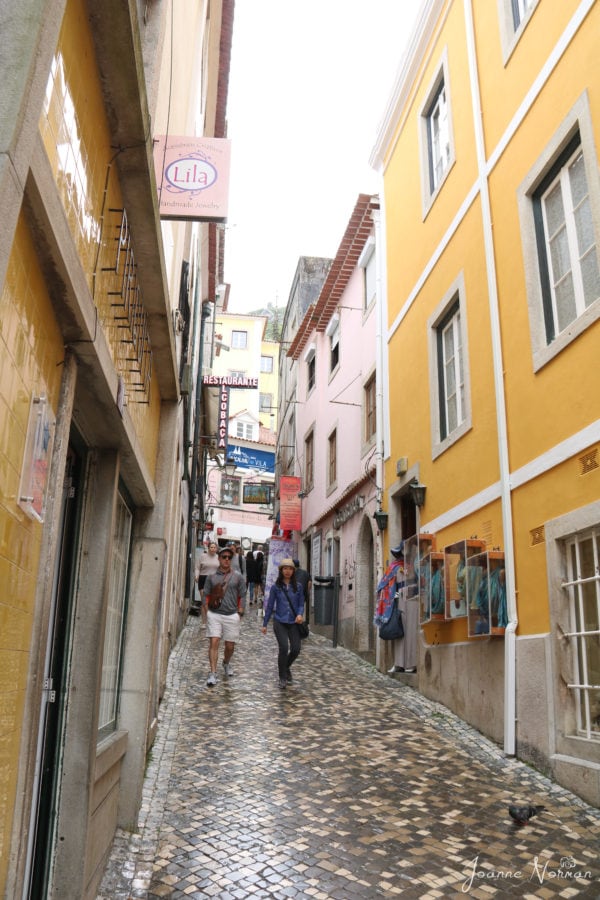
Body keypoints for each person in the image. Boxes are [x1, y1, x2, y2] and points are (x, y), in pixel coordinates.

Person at [203, 547, 247, 686]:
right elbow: (205, 595)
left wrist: (240, 611)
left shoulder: (237, 577)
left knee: (230, 645)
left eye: (229, 557)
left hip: (231, 614)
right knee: (214, 641)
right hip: (214, 614)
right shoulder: (211, 577)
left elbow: (243, 594)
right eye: (224, 557)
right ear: (219, 558)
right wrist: (206, 611)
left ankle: (226, 662)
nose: (227, 559)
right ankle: (213, 673)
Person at [261, 558, 305, 689]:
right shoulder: (276, 587)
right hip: (280, 621)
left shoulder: (299, 587)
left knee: (296, 649)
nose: (287, 571)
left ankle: (286, 666)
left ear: (293, 571)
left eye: (290, 569)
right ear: (281, 571)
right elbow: (269, 606)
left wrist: (299, 614)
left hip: (293, 622)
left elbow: (301, 603)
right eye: (285, 568)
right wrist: (264, 624)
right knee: (284, 648)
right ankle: (282, 677)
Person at [386, 542, 418, 674]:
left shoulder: (415, 567)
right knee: (399, 633)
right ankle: (398, 663)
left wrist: (408, 590)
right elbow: (394, 588)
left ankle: (411, 663)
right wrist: (396, 597)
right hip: (400, 602)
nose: (399, 558)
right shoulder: (395, 569)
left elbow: (419, 584)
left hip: (412, 602)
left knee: (410, 633)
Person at [194, 540, 219, 625]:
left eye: (214, 547)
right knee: (204, 601)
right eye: (211, 547)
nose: (213, 549)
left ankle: (206, 620)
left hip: (214, 580)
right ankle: (205, 621)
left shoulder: (218, 558)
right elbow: (197, 568)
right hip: (203, 578)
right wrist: (196, 575)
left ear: (216, 549)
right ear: (208, 548)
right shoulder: (202, 556)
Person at [293, 558, 312, 624]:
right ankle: (299, 619)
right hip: (303, 594)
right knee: (300, 607)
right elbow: (309, 583)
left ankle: (295, 621)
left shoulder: (292, 573)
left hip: (294, 594)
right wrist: (307, 592)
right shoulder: (305, 573)